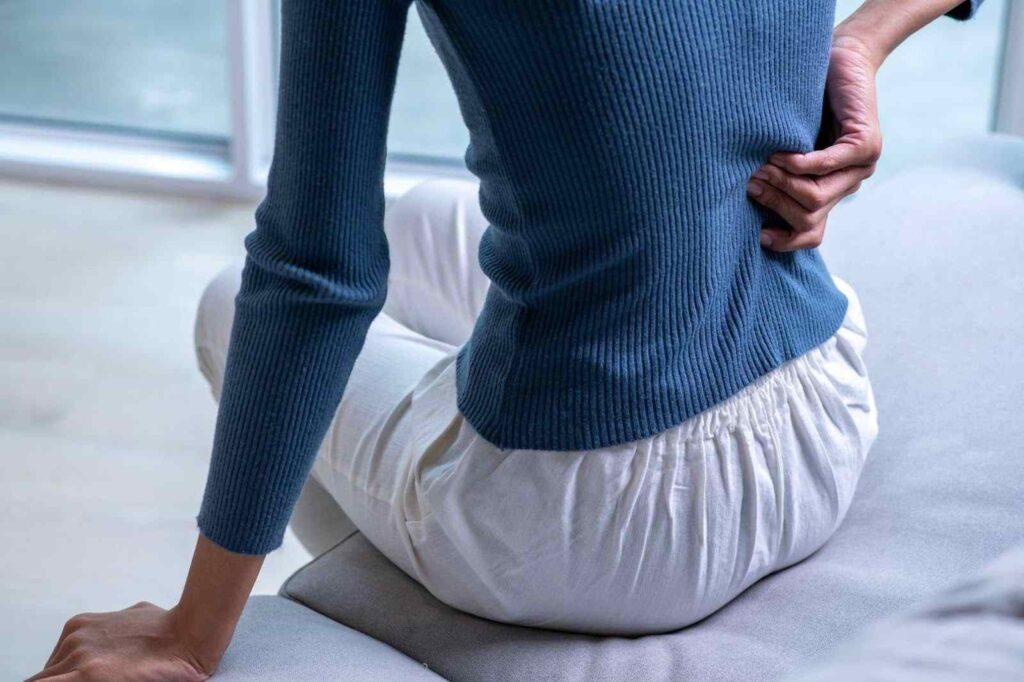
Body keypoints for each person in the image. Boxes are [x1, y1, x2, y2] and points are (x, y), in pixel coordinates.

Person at [31, 0, 985, 679]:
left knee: (230, 304)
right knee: (421, 223)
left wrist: (188, 639)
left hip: (608, 525)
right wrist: (859, 37)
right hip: (825, 398)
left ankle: (441, 594)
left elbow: (314, 276)